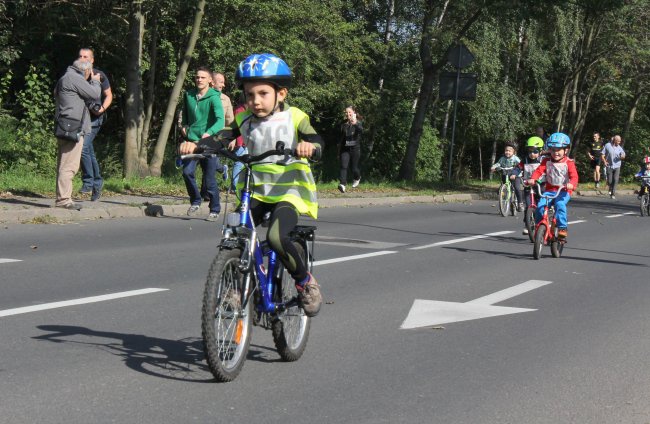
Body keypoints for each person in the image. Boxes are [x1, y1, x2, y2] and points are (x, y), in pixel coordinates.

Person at [179, 53, 323, 317]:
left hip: (288, 191)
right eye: (249, 94)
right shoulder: (244, 119)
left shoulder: (295, 117)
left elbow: (316, 140)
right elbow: (223, 137)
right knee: (235, 232)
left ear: (281, 94)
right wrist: (199, 145)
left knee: (276, 237)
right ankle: (237, 286)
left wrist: (309, 146)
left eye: (263, 93)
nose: (255, 101)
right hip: (256, 188)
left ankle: (305, 283)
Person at [53, 59, 101, 210]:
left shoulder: (65, 78)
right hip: (72, 128)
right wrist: (95, 81)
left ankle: (63, 197)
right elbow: (94, 94)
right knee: (69, 165)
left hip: (65, 125)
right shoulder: (74, 78)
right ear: (86, 71)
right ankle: (64, 200)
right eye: (89, 72)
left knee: (64, 164)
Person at [179, 66, 225, 221]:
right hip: (192, 142)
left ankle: (215, 209)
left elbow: (220, 120)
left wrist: (209, 133)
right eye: (197, 77)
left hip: (208, 143)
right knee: (187, 172)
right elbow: (184, 116)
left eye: (203, 77)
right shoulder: (189, 95)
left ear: (210, 80)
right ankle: (196, 201)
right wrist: (184, 127)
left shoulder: (214, 97)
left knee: (209, 179)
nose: (199, 79)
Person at [527, 132, 579, 241]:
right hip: (549, 191)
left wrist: (571, 184)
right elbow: (539, 171)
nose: (556, 153)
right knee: (540, 207)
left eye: (559, 150)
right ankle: (539, 226)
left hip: (563, 191)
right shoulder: (546, 161)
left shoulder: (569, 163)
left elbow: (574, 176)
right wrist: (533, 179)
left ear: (566, 150)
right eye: (553, 150)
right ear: (549, 150)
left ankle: (562, 228)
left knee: (560, 205)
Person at [77, 48, 112, 201]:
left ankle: (88, 182)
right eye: (80, 56)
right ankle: (97, 184)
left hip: (94, 119)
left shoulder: (99, 75)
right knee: (89, 152)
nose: (82, 58)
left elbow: (109, 95)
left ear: (92, 60)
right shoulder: (75, 75)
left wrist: (102, 109)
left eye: (86, 56)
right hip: (79, 119)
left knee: (83, 147)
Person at [514, 136, 544, 235]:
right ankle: (527, 224)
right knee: (528, 206)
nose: (532, 154)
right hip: (528, 186)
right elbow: (518, 168)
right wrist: (514, 173)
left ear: (540, 151)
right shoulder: (525, 160)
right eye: (530, 151)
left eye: (535, 152)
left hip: (541, 186)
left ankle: (542, 223)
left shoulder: (543, 161)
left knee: (541, 205)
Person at [490, 140, 523, 209]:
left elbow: (520, 165)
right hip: (506, 173)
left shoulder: (515, 158)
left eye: (509, 151)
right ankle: (503, 195)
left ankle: (520, 203)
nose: (507, 152)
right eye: (506, 151)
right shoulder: (502, 158)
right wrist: (494, 167)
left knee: (517, 188)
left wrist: (518, 172)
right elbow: (498, 164)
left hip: (515, 175)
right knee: (503, 186)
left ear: (513, 152)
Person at [337, 106, 363, 193]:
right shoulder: (343, 123)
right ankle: (342, 184)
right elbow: (341, 137)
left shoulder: (358, 123)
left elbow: (361, 131)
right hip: (345, 149)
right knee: (343, 166)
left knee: (354, 168)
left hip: (355, 149)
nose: (348, 114)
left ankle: (357, 177)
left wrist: (355, 123)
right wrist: (339, 149)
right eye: (346, 112)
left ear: (354, 112)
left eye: (349, 112)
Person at [228, 95, 248, 193]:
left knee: (243, 164)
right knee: (238, 163)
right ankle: (234, 186)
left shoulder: (246, 111)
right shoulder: (239, 111)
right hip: (240, 142)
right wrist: (238, 142)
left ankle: (240, 185)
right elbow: (237, 128)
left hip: (244, 142)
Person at [601, 134, 626, 199]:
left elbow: (623, 155)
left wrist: (622, 157)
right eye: (618, 141)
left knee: (616, 179)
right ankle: (610, 187)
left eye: (620, 141)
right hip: (609, 165)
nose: (619, 142)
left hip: (617, 166)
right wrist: (604, 161)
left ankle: (613, 193)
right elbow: (602, 155)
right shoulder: (607, 145)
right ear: (614, 140)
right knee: (610, 181)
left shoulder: (619, 148)